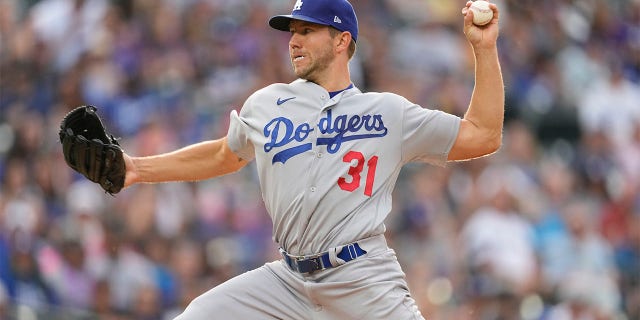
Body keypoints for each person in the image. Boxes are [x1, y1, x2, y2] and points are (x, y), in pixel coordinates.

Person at [122, 0, 504, 318]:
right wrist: (137, 168)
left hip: (361, 278)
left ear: (342, 41)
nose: (294, 41)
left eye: (307, 31)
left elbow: (483, 135)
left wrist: (484, 50)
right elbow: (225, 154)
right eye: (292, 32)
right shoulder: (267, 103)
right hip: (287, 281)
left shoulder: (388, 112)